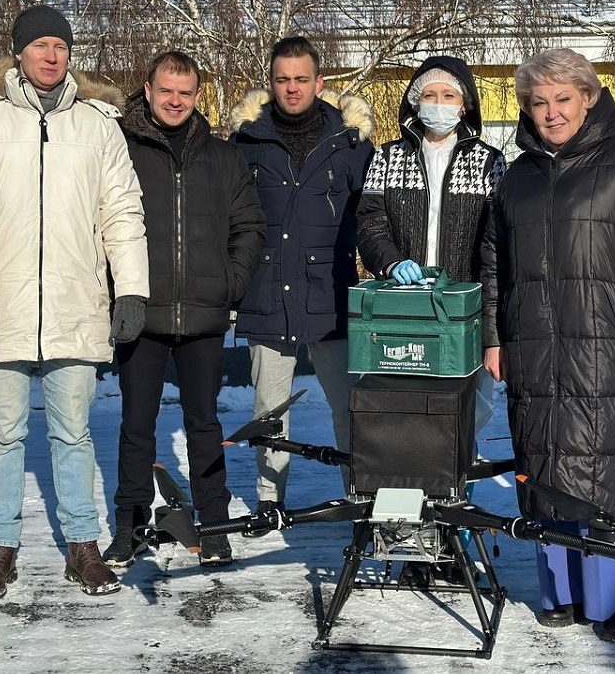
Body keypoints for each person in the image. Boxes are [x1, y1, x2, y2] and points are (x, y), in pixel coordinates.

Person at [481, 48, 615, 642]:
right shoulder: (516, 175)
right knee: (546, 462)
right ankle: (565, 592)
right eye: (539, 102)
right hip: (535, 348)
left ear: (589, 98)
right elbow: (494, 262)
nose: (551, 113)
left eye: (562, 99)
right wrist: (495, 337)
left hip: (612, 345)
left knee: (612, 465)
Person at [0, 5, 149, 600]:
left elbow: (122, 211)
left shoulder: (98, 126)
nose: (51, 55)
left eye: (60, 46)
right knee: (3, 432)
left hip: (73, 303)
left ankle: (84, 548)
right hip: (0, 309)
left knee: (73, 431)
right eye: (39, 45)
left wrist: (131, 287)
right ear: (18, 53)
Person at [103, 51, 265, 569]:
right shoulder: (120, 149)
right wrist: (116, 288)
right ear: (147, 91)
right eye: (166, 90)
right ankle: (130, 525)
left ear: (198, 96)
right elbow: (99, 219)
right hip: (140, 312)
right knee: (137, 423)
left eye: (186, 92)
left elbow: (249, 226)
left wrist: (229, 284)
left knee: (204, 422)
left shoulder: (223, 157)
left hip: (203, 313)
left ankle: (213, 524)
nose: (175, 101)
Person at [356, 56, 507, 584]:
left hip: (463, 314)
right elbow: (370, 222)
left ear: (466, 105)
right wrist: (388, 259)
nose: (439, 104)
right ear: (414, 100)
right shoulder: (388, 157)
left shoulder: (489, 161)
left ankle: (452, 534)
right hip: (407, 313)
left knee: (463, 426)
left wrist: (487, 306)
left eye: (450, 96)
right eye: (431, 94)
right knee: (409, 427)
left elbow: (497, 240)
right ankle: (412, 541)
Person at [229, 35, 374, 517]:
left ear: (320, 82)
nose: (292, 89)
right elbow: (229, 217)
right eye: (283, 80)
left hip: (330, 294)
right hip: (266, 293)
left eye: (301, 79)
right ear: (270, 83)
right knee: (269, 412)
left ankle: (360, 494)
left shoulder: (350, 144)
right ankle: (270, 502)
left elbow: (373, 215)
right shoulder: (246, 142)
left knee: (347, 407)